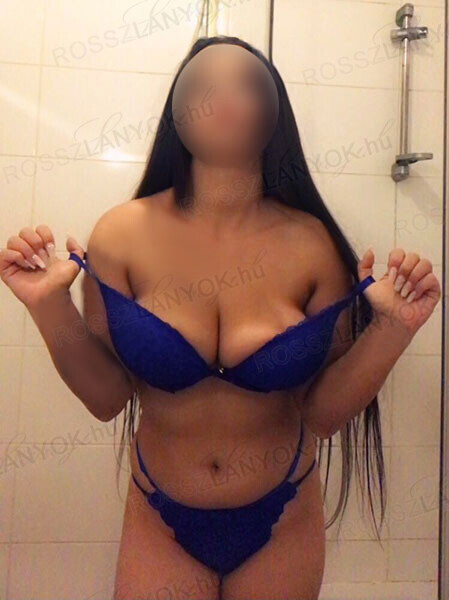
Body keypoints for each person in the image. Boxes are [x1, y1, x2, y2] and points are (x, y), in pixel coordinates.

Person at [0, 35, 441, 600]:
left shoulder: (314, 245)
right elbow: (108, 398)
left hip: (283, 517)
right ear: (177, 112)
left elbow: (324, 413)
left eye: (246, 85)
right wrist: (48, 304)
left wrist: (394, 328)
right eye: (204, 86)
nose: (225, 98)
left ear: (272, 113)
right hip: (160, 518)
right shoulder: (121, 234)